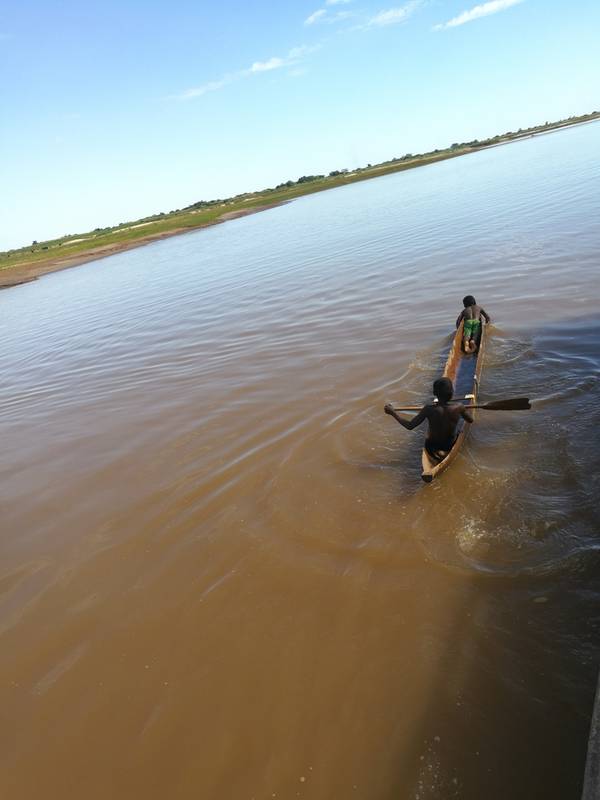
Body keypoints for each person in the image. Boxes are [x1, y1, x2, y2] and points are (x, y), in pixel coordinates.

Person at [384, 377, 473, 461]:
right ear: (452, 393)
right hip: (450, 445)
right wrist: (462, 411)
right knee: (458, 430)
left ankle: (435, 456)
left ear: (435, 393)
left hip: (432, 446)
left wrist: (393, 413)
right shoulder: (459, 407)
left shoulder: (428, 409)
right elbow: (470, 420)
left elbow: (410, 426)